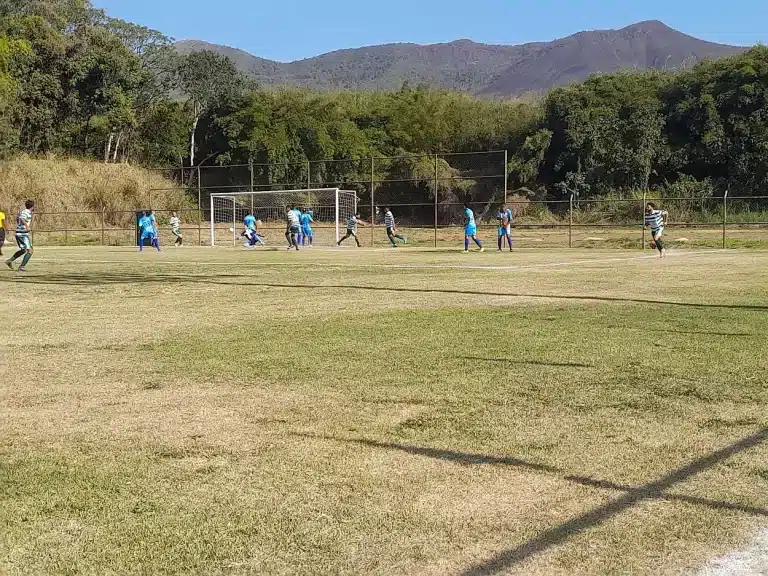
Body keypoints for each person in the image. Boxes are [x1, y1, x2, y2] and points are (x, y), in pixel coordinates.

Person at [5, 200, 34, 272]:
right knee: (30, 251)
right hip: (22, 234)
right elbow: (22, 218)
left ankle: (9, 261)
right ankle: (22, 267)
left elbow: (18, 218)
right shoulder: (26, 212)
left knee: (23, 250)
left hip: (19, 233)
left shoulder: (23, 212)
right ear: (32, 207)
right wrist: (27, 226)